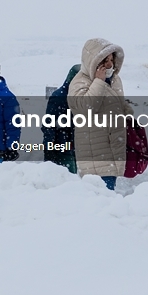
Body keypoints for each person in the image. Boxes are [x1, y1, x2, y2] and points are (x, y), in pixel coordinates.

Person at [68, 39, 134, 190]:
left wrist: (127, 112)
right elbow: (85, 108)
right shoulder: (79, 82)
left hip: (113, 148)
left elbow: (116, 103)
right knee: (99, 200)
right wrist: (99, 81)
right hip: (95, 153)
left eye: (111, 59)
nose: (110, 64)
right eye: (105, 60)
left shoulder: (115, 79)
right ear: (93, 60)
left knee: (107, 199)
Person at [43, 65, 80, 173]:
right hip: (62, 150)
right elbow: (48, 124)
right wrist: (49, 149)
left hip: (72, 149)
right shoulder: (59, 96)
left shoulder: (78, 97)